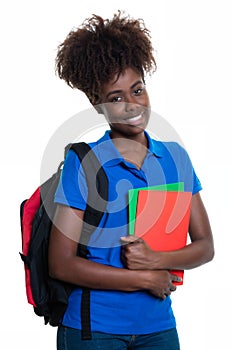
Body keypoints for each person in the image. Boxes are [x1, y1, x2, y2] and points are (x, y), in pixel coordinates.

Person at [48, 11, 214, 350]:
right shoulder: (85, 163)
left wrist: (156, 260)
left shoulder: (175, 158)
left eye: (137, 90)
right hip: (94, 331)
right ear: (98, 106)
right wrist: (141, 277)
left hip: (159, 326)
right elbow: (61, 263)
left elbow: (205, 247)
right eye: (116, 98)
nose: (131, 105)